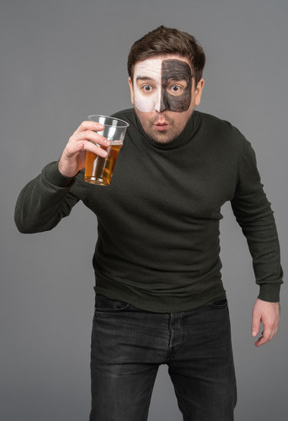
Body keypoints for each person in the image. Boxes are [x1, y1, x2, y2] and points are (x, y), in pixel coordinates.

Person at [14, 25, 283, 421]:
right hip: (122, 318)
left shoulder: (229, 144)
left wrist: (269, 291)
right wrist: (64, 169)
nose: (159, 106)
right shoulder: (104, 143)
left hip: (204, 314)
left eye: (175, 88)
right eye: (146, 88)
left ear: (198, 89)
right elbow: (28, 221)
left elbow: (256, 214)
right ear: (131, 88)